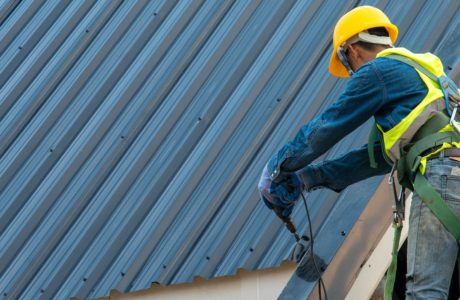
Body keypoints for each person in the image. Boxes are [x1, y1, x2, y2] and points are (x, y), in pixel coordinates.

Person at [258, 5, 460, 299]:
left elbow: (328, 126)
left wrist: (278, 168)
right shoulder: (426, 78)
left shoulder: (378, 71)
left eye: (349, 66)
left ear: (350, 51)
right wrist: (307, 179)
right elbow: (374, 158)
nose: (353, 73)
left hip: (441, 178)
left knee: (425, 292)